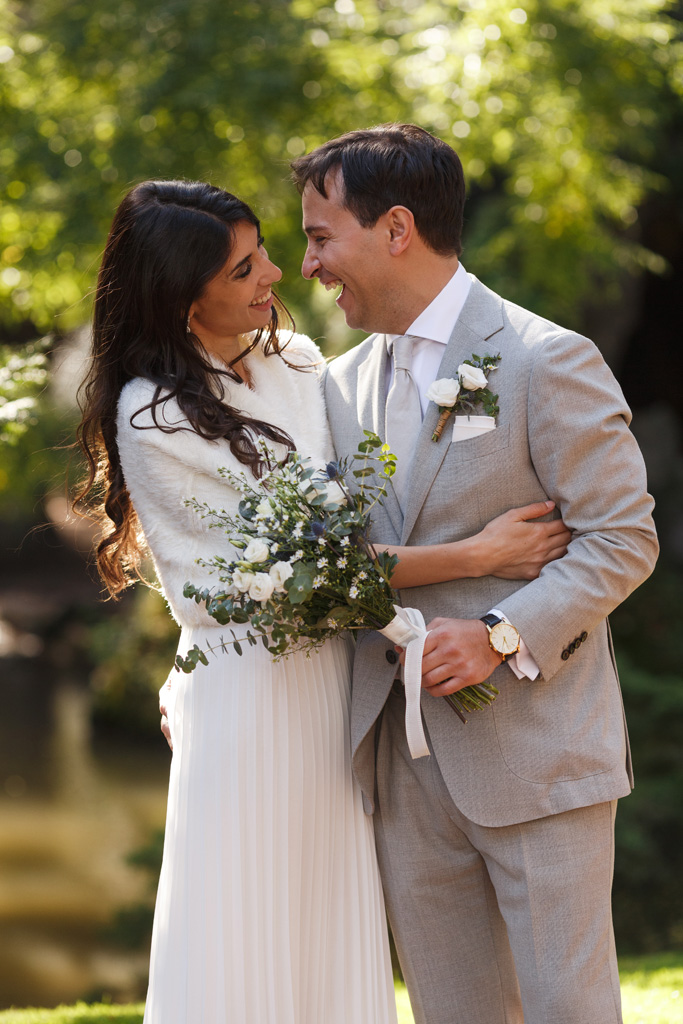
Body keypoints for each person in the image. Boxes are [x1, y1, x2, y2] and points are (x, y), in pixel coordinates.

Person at [77, 179, 570, 1024]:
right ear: (183, 299)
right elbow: (268, 578)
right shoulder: (152, 414)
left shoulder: (300, 365)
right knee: (245, 916)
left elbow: (361, 511)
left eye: (265, 247)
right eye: (243, 269)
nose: (274, 271)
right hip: (248, 700)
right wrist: (478, 553)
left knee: (332, 916)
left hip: (334, 693)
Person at [291, 123, 659, 1024]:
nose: (308, 267)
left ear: (396, 228)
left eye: (318, 235)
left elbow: (623, 536)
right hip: (397, 759)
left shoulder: (544, 359)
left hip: (535, 752)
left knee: (567, 1009)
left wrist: (499, 635)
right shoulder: (335, 386)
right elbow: (331, 562)